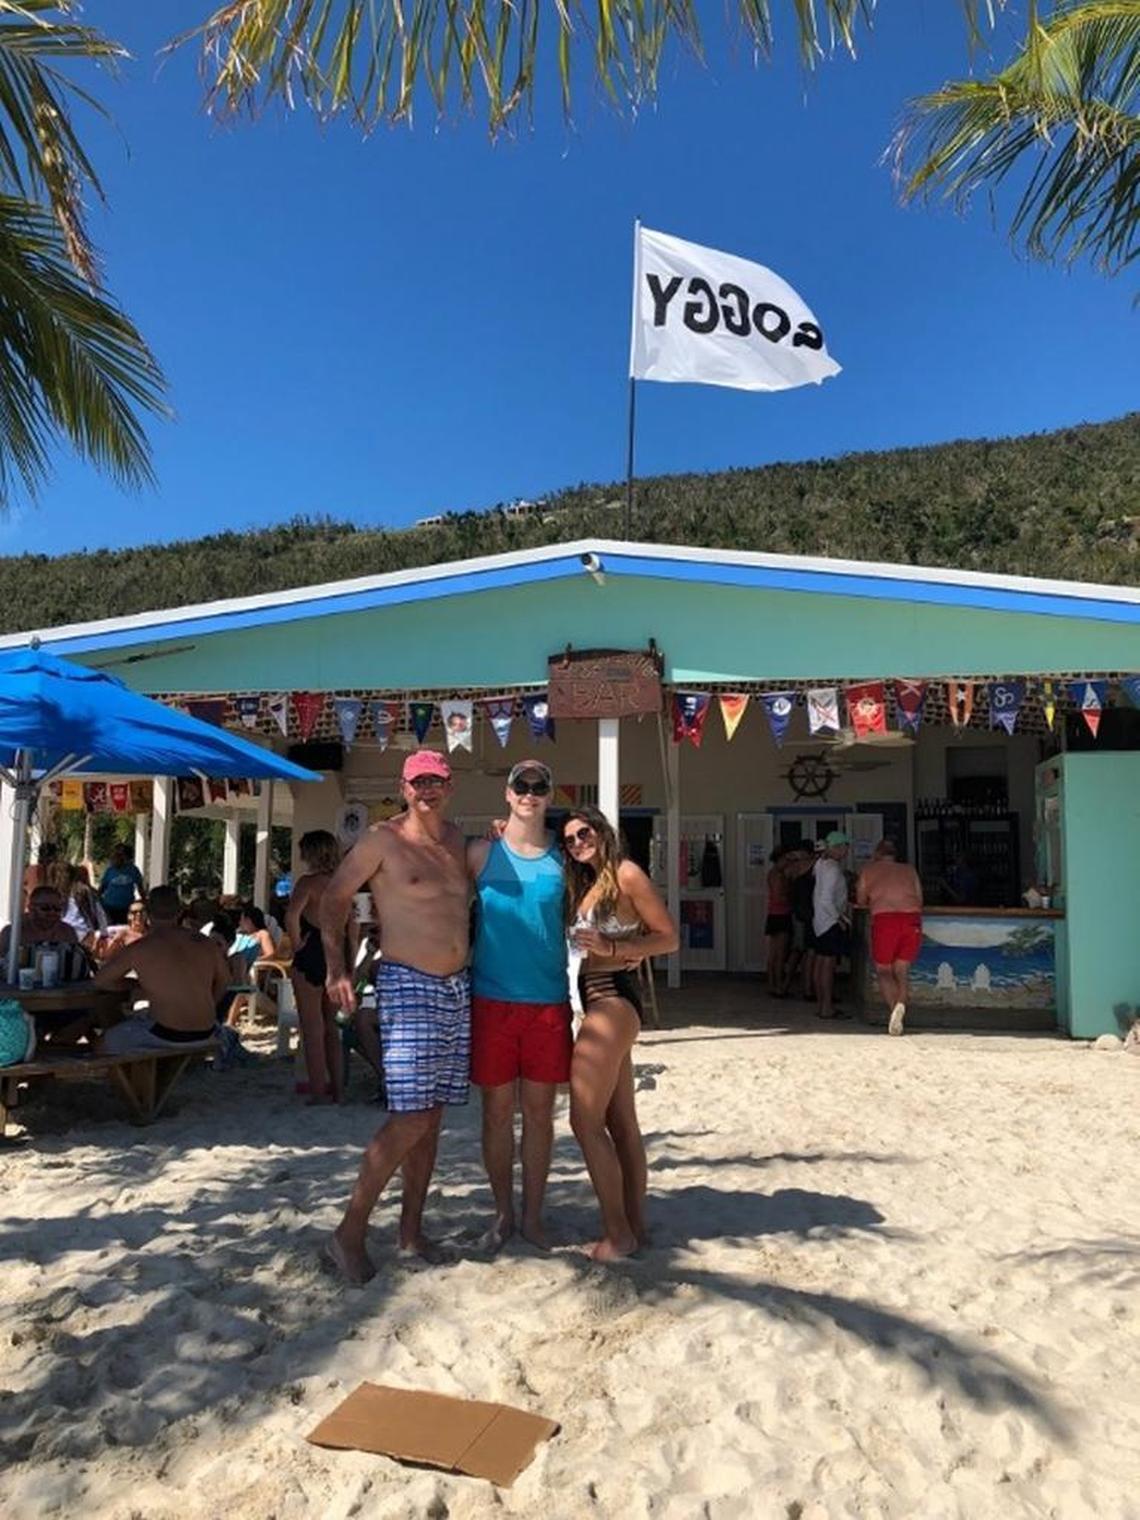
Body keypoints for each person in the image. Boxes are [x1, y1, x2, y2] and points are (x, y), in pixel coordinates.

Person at [320, 750, 471, 1285]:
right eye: (418, 783)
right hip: (408, 983)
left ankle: (410, 1231)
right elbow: (333, 900)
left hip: (456, 989)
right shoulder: (383, 839)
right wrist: (337, 968)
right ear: (403, 789)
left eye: (436, 782)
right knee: (409, 1115)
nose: (427, 791)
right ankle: (349, 1233)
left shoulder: (457, 841)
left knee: (430, 1118)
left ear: (450, 787)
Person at [561, 805, 679, 1261]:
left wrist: (617, 947)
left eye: (584, 833)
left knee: (582, 1121)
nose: (577, 843)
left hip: (612, 996)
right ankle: (634, 1225)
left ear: (603, 831)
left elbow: (668, 937)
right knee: (620, 1124)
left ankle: (618, 1233)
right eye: (569, 839)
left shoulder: (626, 874)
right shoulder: (588, 883)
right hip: (597, 998)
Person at [467, 758, 571, 1253]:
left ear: (549, 794)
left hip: (548, 1002)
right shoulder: (480, 854)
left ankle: (533, 1215)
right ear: (507, 794)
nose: (530, 792)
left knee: (539, 1116)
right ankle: (503, 1212)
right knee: (495, 1114)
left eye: (539, 785)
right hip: (491, 1000)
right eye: (521, 785)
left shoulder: (566, 857)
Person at [94, 885, 230, 1052]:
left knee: (101, 1045)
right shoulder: (205, 943)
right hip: (207, 1030)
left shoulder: (141, 947)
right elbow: (225, 980)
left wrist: (135, 986)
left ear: (148, 913)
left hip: (167, 1033)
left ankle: (143, 1077)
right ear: (181, 910)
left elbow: (101, 980)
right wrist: (209, 1004)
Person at [286, 830, 349, 1106]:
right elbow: (355, 924)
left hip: (312, 949)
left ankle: (318, 1092)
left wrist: (297, 943)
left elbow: (291, 915)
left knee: (312, 1029)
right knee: (332, 1029)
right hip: (337, 951)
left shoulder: (308, 883)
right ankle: (338, 1089)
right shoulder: (345, 881)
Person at [856, 839, 924, 1036]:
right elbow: (919, 899)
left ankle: (895, 1009)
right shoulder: (909, 870)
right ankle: (901, 1005)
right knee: (902, 969)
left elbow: (861, 900)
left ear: (877, 854)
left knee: (884, 969)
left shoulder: (869, 870)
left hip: (885, 919)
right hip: (912, 919)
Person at [812, 832, 851, 1021]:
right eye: (844, 846)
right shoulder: (833, 869)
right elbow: (826, 899)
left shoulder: (820, 864)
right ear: (837, 848)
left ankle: (822, 1005)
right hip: (829, 923)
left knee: (820, 964)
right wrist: (840, 919)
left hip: (820, 921)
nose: (847, 851)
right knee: (827, 967)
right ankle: (827, 1008)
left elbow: (818, 896)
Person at [764, 845, 795, 997]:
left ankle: (772, 984)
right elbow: (778, 897)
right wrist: (792, 899)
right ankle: (776, 985)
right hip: (780, 915)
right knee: (779, 954)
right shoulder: (777, 875)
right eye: (787, 859)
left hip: (774, 914)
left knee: (774, 954)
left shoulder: (775, 873)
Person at [98, 844, 146, 926]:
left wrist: (144, 901)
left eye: (119, 855)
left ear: (125, 857)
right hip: (109, 908)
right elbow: (101, 889)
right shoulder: (110, 871)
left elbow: (140, 887)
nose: (115, 858)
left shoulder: (133, 870)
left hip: (127, 908)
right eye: (114, 855)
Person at [63, 865, 107, 941]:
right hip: (83, 932)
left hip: (70, 931)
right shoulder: (87, 890)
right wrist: (104, 932)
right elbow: (99, 912)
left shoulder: (65, 890)